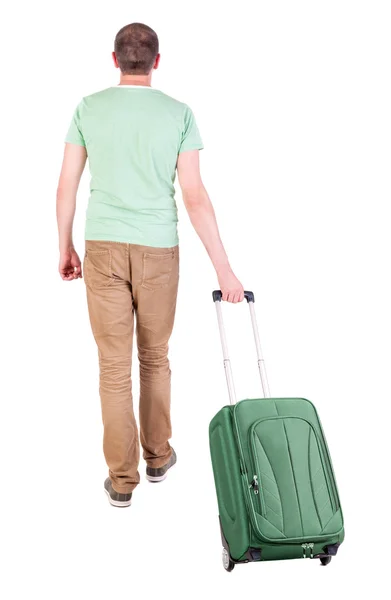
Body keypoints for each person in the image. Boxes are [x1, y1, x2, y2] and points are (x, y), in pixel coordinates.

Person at [56, 22, 244, 508]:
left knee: (113, 368)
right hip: (159, 249)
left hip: (102, 246)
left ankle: (122, 482)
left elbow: (66, 187)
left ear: (114, 59)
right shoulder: (179, 114)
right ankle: (157, 456)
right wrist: (225, 270)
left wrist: (65, 246)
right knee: (155, 356)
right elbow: (195, 196)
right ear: (157, 61)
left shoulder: (88, 108)